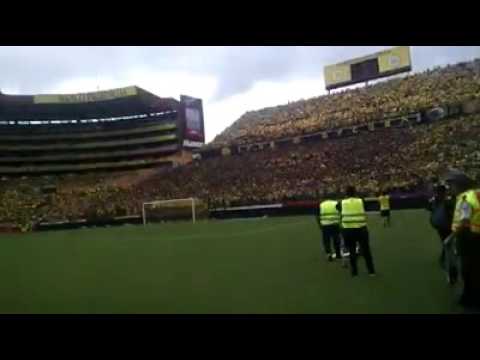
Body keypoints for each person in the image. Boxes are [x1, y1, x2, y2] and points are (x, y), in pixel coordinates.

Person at [444, 169, 480, 308]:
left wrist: (451, 237)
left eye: (452, 185)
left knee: (468, 270)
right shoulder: (475, 194)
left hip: (468, 238)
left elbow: (464, 221)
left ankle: (471, 299)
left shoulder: (465, 199)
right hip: (476, 236)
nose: (450, 188)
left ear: (459, 185)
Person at [337, 186, 376, 277]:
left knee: (351, 250)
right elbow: (366, 207)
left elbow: (338, 209)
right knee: (366, 251)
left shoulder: (342, 203)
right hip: (361, 229)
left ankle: (354, 271)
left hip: (348, 230)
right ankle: (371, 271)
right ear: (355, 192)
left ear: (346, 194)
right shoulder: (361, 201)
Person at [426, 184, 456, 282]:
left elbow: (428, 208)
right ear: (444, 192)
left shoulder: (434, 201)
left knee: (446, 244)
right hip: (448, 226)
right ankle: (449, 268)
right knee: (448, 245)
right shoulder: (448, 201)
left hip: (441, 227)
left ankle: (446, 262)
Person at [316, 197, 342, 261]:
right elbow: (341, 213)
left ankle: (328, 254)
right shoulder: (336, 203)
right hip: (335, 224)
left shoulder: (321, 205)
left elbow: (317, 216)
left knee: (326, 241)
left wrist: (320, 225)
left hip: (325, 225)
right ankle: (338, 254)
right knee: (336, 239)